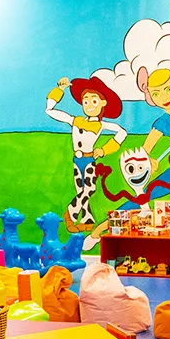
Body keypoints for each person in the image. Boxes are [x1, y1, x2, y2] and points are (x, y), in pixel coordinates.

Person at [45, 75, 128, 232]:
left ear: (103, 103)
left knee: (89, 189)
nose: (89, 105)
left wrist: (104, 150)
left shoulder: (101, 124)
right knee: (81, 191)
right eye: (86, 101)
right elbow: (49, 111)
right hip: (77, 160)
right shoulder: (75, 120)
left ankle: (70, 213)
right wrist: (59, 90)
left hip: (89, 160)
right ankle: (87, 220)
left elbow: (122, 132)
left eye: (94, 101)